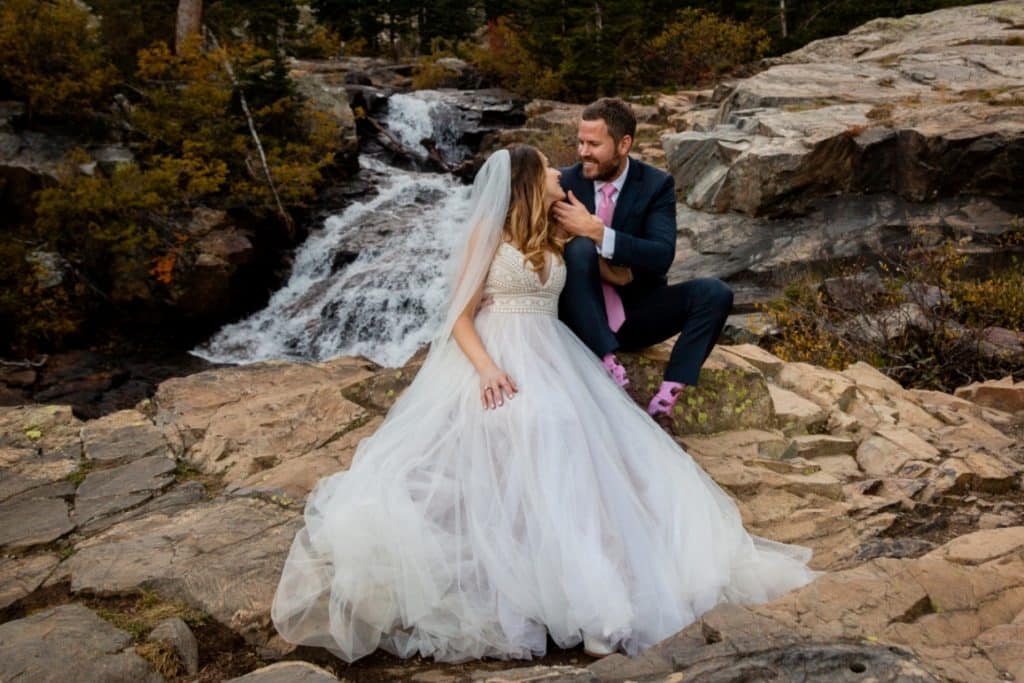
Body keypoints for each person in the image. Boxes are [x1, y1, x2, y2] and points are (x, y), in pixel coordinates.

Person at [271, 145, 817, 665]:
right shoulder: (488, 232)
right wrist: (486, 368)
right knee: (520, 424)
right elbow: (458, 315)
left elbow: (622, 276)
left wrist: (592, 231)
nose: (562, 173)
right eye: (550, 172)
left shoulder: (555, 229)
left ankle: (590, 582)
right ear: (530, 181)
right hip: (495, 352)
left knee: (573, 431)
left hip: (551, 351)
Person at [554, 97, 733, 418]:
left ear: (624, 144)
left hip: (637, 314)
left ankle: (666, 397)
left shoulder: (655, 184)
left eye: (593, 144)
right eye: (580, 142)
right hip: (579, 317)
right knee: (577, 248)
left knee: (715, 293)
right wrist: (603, 263)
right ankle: (607, 364)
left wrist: (598, 232)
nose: (582, 152)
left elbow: (661, 255)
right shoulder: (566, 181)